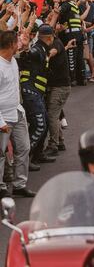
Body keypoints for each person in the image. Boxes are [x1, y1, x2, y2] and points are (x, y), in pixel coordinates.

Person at [0, 30, 34, 199]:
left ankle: (20, 185)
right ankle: (1, 188)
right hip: (3, 118)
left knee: (24, 148)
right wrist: (0, 122)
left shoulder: (12, 60)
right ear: (11, 44)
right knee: (0, 154)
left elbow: (28, 60)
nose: (19, 45)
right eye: (17, 42)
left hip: (17, 112)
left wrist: (26, 47)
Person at [18, 25, 56, 165]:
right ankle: (24, 159)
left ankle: (38, 154)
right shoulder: (37, 49)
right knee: (39, 125)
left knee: (44, 125)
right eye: (52, 36)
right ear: (48, 37)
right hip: (31, 93)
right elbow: (30, 54)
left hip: (37, 93)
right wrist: (26, 49)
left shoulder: (43, 49)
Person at [42, 29, 74, 160]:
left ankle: (53, 145)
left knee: (52, 116)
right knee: (54, 115)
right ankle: (60, 141)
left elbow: (53, 51)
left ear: (49, 37)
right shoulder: (58, 43)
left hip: (60, 88)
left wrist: (45, 57)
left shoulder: (56, 43)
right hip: (59, 86)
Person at [57, 0, 85, 85]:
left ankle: (72, 79)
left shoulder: (66, 4)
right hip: (78, 33)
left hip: (71, 33)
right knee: (80, 57)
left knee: (71, 55)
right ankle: (82, 78)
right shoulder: (74, 5)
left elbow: (58, 12)